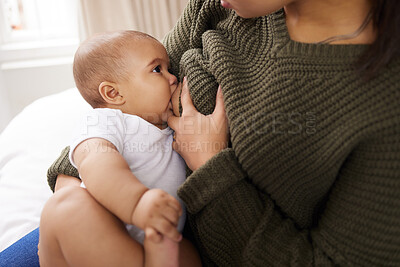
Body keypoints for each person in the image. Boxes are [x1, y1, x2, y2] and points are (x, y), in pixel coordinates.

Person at [1, 0, 399, 266]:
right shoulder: (225, 6)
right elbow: (117, 109)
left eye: (167, 72)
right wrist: (75, 190)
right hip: (106, 215)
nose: (171, 77)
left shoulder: (383, 109)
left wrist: (209, 166)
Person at [38, 30, 202, 267]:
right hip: (97, 240)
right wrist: (138, 203)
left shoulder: (172, 128)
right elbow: (97, 163)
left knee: (186, 251)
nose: (173, 77)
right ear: (113, 93)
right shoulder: (106, 121)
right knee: (66, 205)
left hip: (151, 239)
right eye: (157, 70)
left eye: (169, 68)